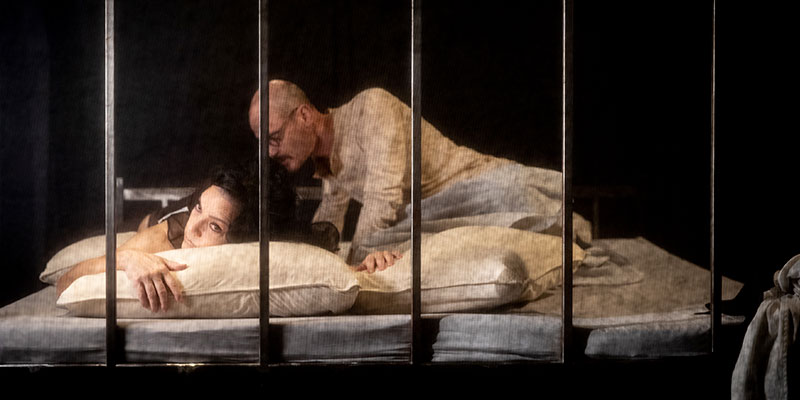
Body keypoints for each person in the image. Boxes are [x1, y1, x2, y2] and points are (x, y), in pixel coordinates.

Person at [248, 80, 589, 263]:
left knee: (529, 205)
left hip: (474, 186)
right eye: (265, 144)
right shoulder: (326, 159)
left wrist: (353, 264)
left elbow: (383, 199)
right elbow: (331, 215)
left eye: (275, 138)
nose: (271, 152)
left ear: (304, 116)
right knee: (403, 240)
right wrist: (310, 259)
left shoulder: (371, 108)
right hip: (429, 214)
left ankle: (564, 221)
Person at [57, 164, 402, 313]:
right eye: (200, 211)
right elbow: (64, 282)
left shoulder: (278, 245)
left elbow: (331, 269)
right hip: (163, 218)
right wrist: (127, 258)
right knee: (151, 223)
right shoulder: (176, 231)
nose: (195, 229)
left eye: (215, 228)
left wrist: (369, 265)